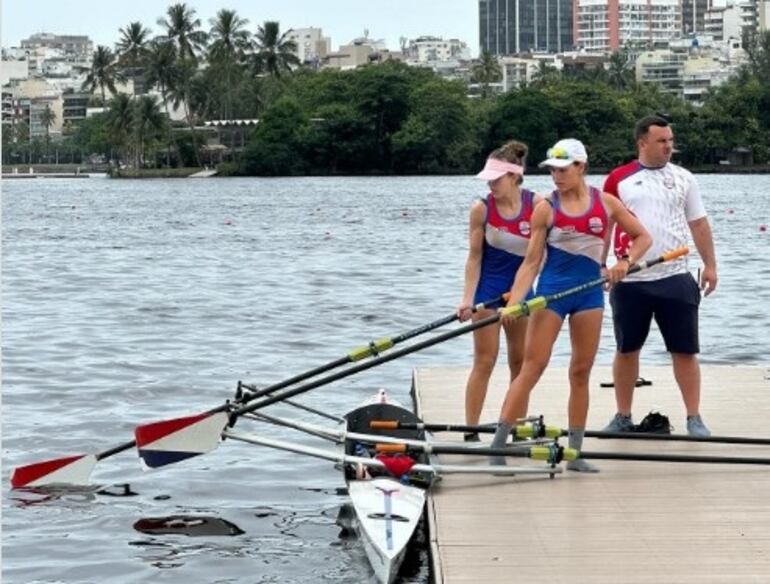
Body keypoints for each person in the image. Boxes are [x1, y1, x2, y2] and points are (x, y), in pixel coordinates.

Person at [490, 138, 652, 471]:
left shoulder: (605, 203)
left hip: (590, 295)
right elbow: (531, 263)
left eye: (563, 170)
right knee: (531, 368)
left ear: (581, 167)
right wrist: (516, 302)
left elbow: (643, 237)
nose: (557, 177)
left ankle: (575, 453)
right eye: (552, 170)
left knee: (580, 372)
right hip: (552, 294)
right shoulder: (546, 208)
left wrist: (624, 261)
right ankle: (497, 444)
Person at [602, 115, 718, 437]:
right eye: (662, 141)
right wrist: (601, 264)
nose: (669, 146)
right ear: (643, 143)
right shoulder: (618, 180)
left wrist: (710, 266)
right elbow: (605, 225)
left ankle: (694, 417)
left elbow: (698, 223)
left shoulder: (684, 178)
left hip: (675, 277)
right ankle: (623, 416)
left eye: (670, 140)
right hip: (631, 280)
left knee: (684, 350)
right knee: (627, 350)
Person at [456, 141, 539, 442]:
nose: (491, 184)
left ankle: (513, 428)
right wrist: (467, 300)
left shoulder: (537, 206)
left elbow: (536, 260)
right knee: (485, 360)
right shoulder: (481, 208)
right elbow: (474, 258)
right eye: (488, 179)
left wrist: (518, 297)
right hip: (488, 290)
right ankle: (471, 431)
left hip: (522, 291)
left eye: (496, 178)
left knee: (520, 363)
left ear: (514, 176)